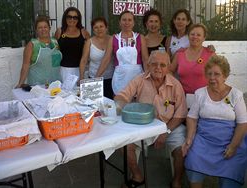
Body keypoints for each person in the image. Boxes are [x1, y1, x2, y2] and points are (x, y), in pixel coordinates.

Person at [114, 51, 187, 188]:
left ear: (168, 67)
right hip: (144, 126)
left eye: (162, 65)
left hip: (170, 126)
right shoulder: (139, 80)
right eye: (154, 64)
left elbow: (180, 114)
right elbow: (121, 96)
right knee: (124, 146)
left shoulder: (176, 85)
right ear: (148, 65)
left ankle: (177, 181)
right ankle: (137, 176)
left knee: (182, 150)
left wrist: (165, 132)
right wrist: (122, 105)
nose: (158, 68)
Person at [182, 55, 247, 188]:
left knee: (233, 167)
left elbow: (243, 123)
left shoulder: (236, 95)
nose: (212, 78)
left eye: (217, 74)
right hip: (204, 140)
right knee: (193, 159)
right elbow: (192, 117)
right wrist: (189, 139)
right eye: (209, 74)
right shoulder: (200, 93)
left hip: (229, 141)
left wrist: (233, 146)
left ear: (225, 76)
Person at [95, 10, 149, 95]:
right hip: (120, 77)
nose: (126, 22)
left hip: (137, 76)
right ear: (119, 22)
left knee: (136, 103)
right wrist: (96, 77)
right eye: (124, 20)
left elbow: (145, 59)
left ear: (133, 23)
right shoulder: (113, 39)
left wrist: (147, 77)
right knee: (120, 104)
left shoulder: (140, 37)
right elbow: (106, 59)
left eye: (129, 20)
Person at [16, 16, 62, 87]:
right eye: (40, 28)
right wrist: (20, 83)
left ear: (49, 28)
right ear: (36, 30)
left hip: (56, 84)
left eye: (45, 27)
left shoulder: (55, 42)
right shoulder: (32, 45)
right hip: (37, 87)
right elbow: (25, 65)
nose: (43, 29)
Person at [169, 23, 215, 94]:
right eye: (192, 34)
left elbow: (219, 73)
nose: (195, 37)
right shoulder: (180, 53)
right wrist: (175, 85)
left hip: (205, 98)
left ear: (204, 38)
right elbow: (170, 71)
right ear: (188, 36)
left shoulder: (210, 54)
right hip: (183, 97)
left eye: (198, 35)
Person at [79, 17, 114, 99]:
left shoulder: (113, 40)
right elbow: (84, 60)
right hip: (93, 78)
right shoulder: (89, 42)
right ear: (93, 30)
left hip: (110, 78)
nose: (99, 29)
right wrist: (81, 77)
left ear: (106, 27)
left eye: (101, 26)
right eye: (96, 27)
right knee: (94, 104)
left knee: (108, 104)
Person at [55, 7, 90, 83]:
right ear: (65, 18)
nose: (72, 19)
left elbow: (88, 52)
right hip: (62, 70)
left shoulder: (84, 32)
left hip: (79, 70)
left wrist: (82, 74)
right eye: (69, 17)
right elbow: (55, 51)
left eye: (75, 17)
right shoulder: (59, 31)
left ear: (78, 19)